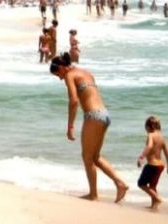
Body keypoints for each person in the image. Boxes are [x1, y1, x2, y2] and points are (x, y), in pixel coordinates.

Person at [50, 52, 130, 202]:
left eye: (58, 74)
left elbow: (74, 101)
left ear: (61, 67)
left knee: (87, 157)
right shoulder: (86, 72)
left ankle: (93, 195)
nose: (60, 78)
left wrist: (70, 126)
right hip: (104, 115)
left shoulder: (70, 75)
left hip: (93, 116)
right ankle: (120, 184)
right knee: (95, 157)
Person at [136, 116, 168, 209]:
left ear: (149, 127)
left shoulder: (151, 135)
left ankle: (157, 199)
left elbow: (149, 146)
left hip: (152, 165)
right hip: (160, 165)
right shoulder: (162, 138)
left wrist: (141, 157)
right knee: (152, 186)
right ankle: (154, 206)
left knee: (141, 184)